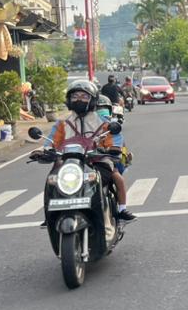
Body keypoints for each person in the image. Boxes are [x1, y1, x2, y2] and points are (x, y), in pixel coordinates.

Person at [50, 80, 136, 222]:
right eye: (75, 96)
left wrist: (113, 148)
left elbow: (115, 138)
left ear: (92, 100)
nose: (79, 100)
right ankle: (51, 213)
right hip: (70, 162)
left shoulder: (103, 122)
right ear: (69, 100)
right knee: (52, 179)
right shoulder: (63, 123)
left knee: (116, 177)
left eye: (84, 96)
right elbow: (51, 141)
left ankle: (121, 209)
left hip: (98, 160)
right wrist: (44, 151)